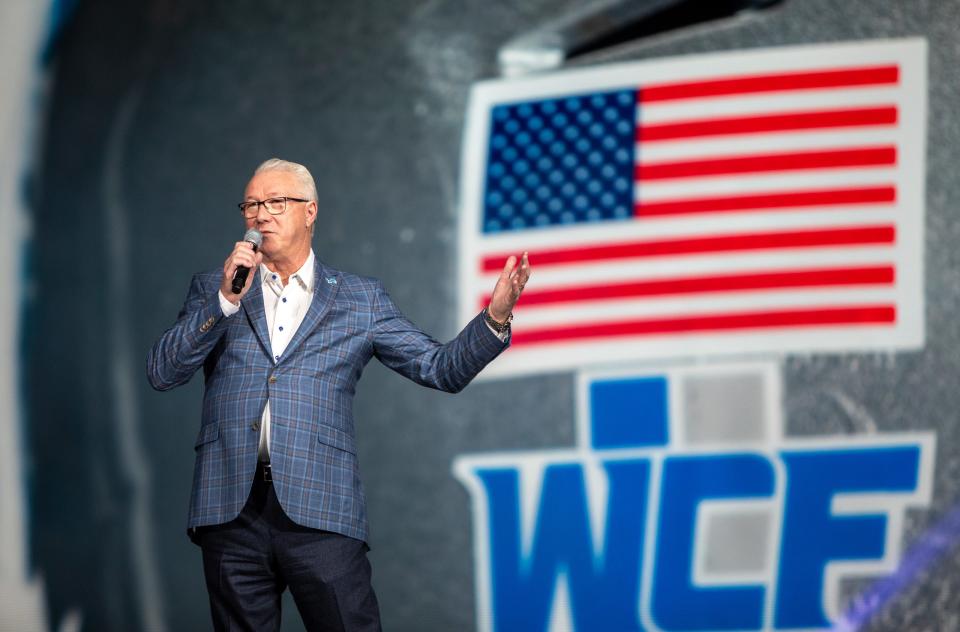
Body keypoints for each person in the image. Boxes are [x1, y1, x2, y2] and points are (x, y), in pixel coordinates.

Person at [146, 158, 530, 631]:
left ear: (310, 211)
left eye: (275, 202)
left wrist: (494, 320)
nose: (260, 215)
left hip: (320, 509)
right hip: (230, 511)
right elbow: (163, 372)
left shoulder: (359, 299)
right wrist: (224, 302)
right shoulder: (215, 287)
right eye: (251, 205)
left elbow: (440, 368)